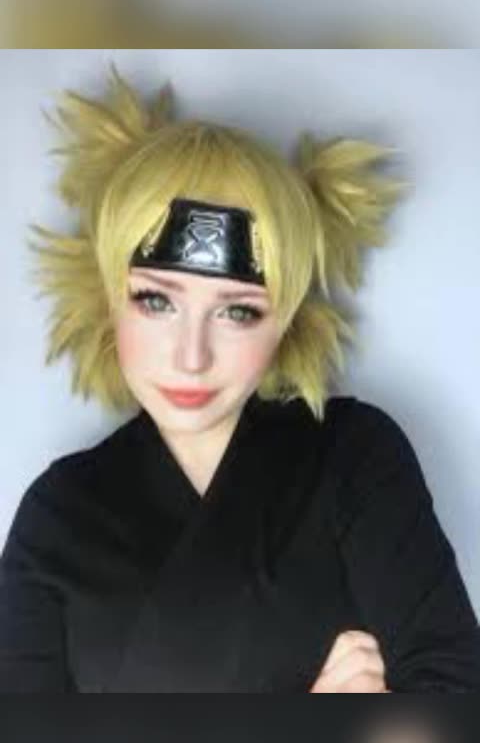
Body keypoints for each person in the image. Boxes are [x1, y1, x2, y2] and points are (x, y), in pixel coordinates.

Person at [1, 61, 479, 693]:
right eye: (156, 301)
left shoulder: (354, 457)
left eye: (237, 312)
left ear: (284, 320)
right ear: (109, 297)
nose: (191, 355)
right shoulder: (56, 517)